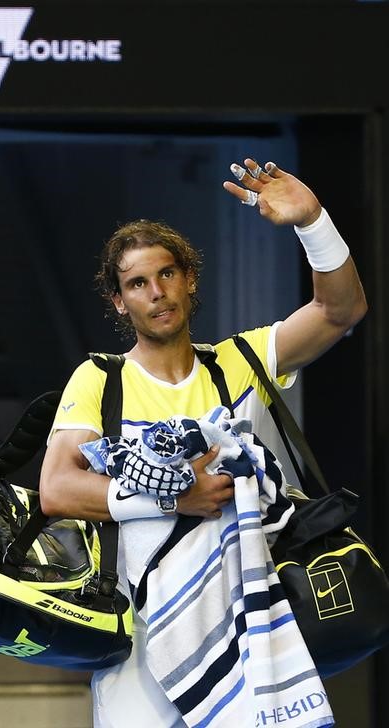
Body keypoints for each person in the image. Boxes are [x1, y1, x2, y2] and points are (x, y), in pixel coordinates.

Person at [39, 158, 367, 727]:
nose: (156, 292)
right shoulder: (101, 378)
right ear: (120, 302)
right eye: (137, 283)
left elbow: (341, 310)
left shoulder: (240, 360)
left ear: (190, 278)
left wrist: (312, 220)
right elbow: (58, 488)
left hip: (255, 624)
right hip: (142, 637)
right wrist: (176, 495)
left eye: (166, 274)